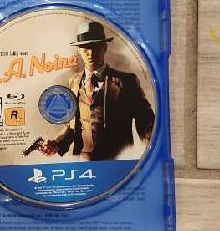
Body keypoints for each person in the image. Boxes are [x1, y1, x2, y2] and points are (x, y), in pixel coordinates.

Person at [40, 21, 155, 161]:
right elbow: (73, 125)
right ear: (79, 51)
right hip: (82, 163)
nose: (90, 53)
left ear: (104, 48)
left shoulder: (126, 81)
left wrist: (151, 155)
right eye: (85, 48)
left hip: (118, 161)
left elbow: (147, 123)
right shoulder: (74, 83)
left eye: (95, 47)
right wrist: (56, 143)